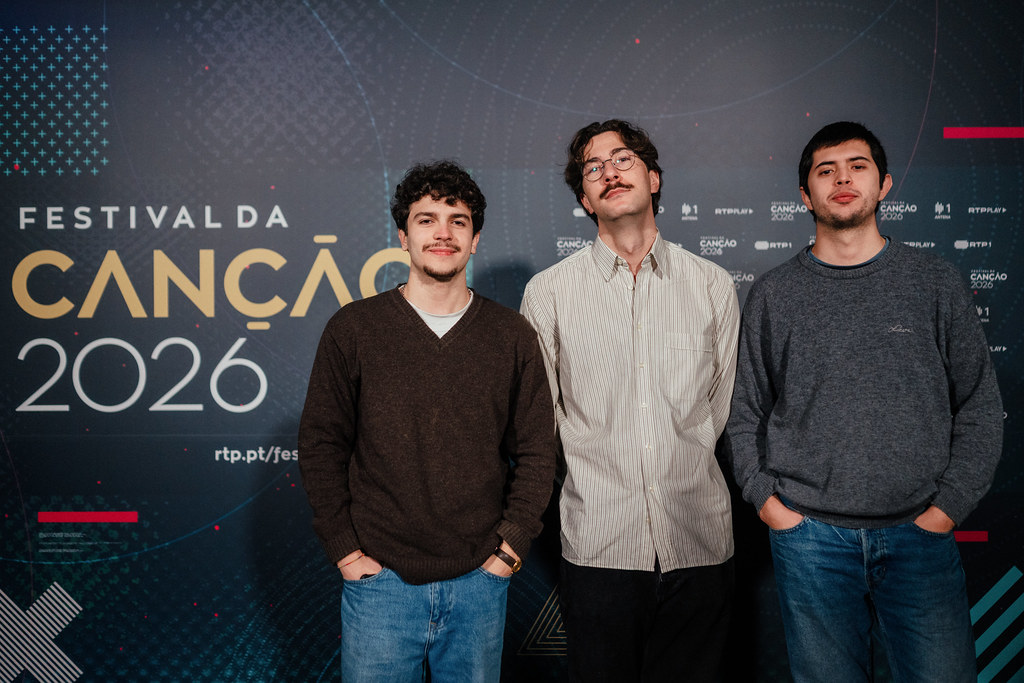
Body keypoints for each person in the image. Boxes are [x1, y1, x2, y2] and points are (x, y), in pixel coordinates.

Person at [726, 121, 1003, 682]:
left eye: (857, 167)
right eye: (825, 171)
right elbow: (745, 413)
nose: (842, 179)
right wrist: (772, 508)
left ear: (884, 184)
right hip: (810, 543)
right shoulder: (773, 294)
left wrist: (945, 511)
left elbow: (978, 406)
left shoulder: (935, 283)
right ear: (805, 195)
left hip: (920, 537)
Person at [298, 160, 556, 682]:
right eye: (426, 219)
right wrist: (347, 553)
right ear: (403, 236)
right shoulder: (354, 329)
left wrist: (507, 554)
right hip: (380, 586)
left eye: (458, 221)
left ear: (475, 239)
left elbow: (536, 452)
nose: (443, 233)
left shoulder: (511, 336)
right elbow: (321, 445)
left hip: (480, 583)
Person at [521, 119, 740, 681]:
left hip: (699, 544)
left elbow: (718, 410)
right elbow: (542, 424)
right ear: (585, 198)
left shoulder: (712, 284)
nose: (609, 173)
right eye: (593, 168)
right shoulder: (548, 293)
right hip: (599, 549)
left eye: (623, 159)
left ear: (654, 177)